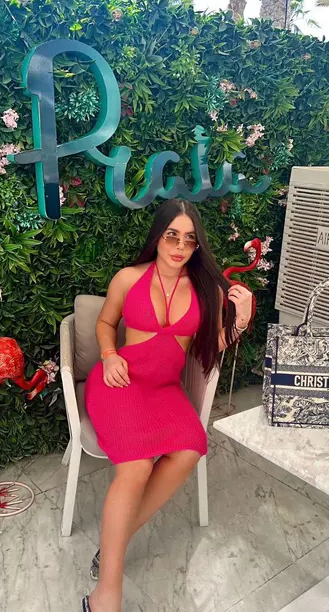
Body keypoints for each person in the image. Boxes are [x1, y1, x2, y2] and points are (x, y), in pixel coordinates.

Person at [82, 199, 253, 612]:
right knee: (137, 466)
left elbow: (210, 348)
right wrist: (109, 355)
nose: (179, 246)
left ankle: (114, 543)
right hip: (119, 382)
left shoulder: (207, 290)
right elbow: (105, 323)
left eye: (189, 239)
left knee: (191, 448)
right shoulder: (129, 278)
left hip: (163, 390)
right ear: (158, 236)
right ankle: (106, 595)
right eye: (172, 235)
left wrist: (242, 320)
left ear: (197, 245)